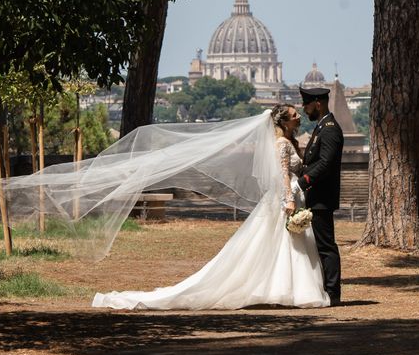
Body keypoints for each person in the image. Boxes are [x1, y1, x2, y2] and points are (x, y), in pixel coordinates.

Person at [90, 105, 330, 310]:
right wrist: (288, 198)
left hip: (291, 197)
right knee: (279, 243)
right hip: (285, 197)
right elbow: (282, 175)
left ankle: (284, 288)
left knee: (285, 244)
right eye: (294, 114)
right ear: (285, 121)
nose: (298, 115)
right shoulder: (281, 144)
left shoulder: (288, 141)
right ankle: (285, 289)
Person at [298, 87, 344, 306]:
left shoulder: (330, 129)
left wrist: (304, 180)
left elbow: (325, 162)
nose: (304, 109)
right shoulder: (320, 128)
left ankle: (333, 292)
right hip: (315, 195)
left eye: (307, 105)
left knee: (326, 246)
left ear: (318, 103)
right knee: (319, 245)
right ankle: (325, 287)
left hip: (321, 197)